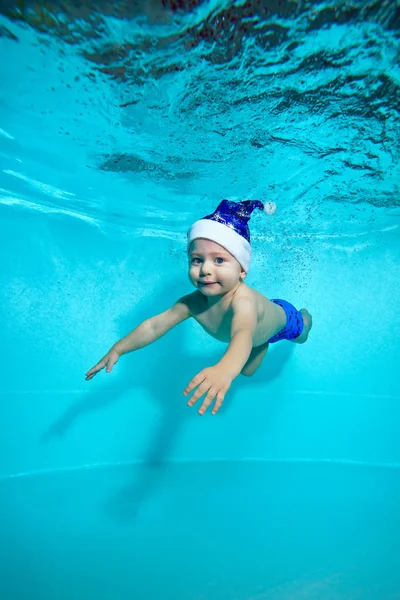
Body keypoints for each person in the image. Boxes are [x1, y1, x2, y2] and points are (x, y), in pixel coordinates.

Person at [85, 200, 312, 415]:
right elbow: (154, 326)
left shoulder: (243, 302)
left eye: (219, 260)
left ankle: (303, 316)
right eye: (197, 260)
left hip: (284, 318)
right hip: (253, 337)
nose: (205, 270)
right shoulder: (192, 303)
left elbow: (242, 333)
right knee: (248, 371)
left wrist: (224, 369)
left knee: (302, 335)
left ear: (242, 269)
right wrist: (118, 348)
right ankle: (261, 343)